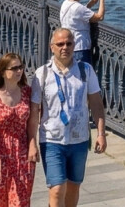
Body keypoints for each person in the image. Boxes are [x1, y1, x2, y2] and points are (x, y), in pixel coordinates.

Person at [33, 28, 106, 207]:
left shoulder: (85, 70)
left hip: (79, 139)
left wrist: (101, 133)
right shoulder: (42, 74)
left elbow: (96, 104)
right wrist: (31, 142)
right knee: (57, 189)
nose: (64, 47)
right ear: (52, 47)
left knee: (73, 188)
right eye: (60, 44)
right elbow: (34, 111)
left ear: (74, 45)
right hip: (51, 140)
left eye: (69, 43)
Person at [0, 52, 38, 207]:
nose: (19, 71)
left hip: (21, 152)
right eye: (14, 68)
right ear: (3, 72)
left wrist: (33, 144)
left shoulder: (27, 92)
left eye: (21, 67)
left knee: (20, 200)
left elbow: (32, 123)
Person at [59, 0, 107, 68]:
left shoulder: (65, 3)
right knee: (82, 74)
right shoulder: (78, 8)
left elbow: (79, 13)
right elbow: (100, 16)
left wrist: (92, 2)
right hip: (80, 48)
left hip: (68, 45)